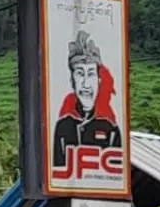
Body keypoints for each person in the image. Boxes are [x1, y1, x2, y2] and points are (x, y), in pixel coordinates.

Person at [52, 28, 122, 171]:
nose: (85, 84)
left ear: (99, 81)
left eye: (90, 74)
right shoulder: (62, 125)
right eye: (79, 74)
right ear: (72, 81)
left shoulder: (111, 128)